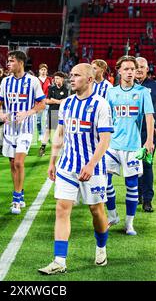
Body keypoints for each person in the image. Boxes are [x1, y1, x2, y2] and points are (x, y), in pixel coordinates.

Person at [38, 63, 113, 275]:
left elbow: (105, 140)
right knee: (62, 209)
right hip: (67, 166)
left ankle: (101, 247)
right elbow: (60, 133)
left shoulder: (101, 105)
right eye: (71, 75)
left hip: (93, 169)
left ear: (89, 80)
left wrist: (91, 164)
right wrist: (53, 160)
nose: (71, 78)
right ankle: (59, 261)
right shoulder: (67, 103)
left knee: (96, 210)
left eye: (77, 75)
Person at [105, 56, 155, 235]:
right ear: (119, 71)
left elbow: (149, 116)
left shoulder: (143, 92)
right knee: (105, 182)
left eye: (132, 69)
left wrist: (149, 140)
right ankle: (112, 216)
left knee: (132, 184)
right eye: (126, 69)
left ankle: (129, 223)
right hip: (112, 144)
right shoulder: (111, 92)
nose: (129, 72)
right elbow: (106, 117)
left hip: (133, 146)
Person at [0, 50, 46, 215]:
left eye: (11, 61)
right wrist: (1, 114)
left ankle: (16, 199)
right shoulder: (5, 82)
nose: (8, 64)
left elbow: (42, 104)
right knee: (12, 164)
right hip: (10, 128)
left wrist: (27, 113)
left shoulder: (33, 81)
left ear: (20, 62)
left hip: (26, 128)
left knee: (18, 162)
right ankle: (20, 192)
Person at [135, 57, 156, 213]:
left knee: (147, 165)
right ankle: (137, 194)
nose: (139, 69)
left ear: (147, 68)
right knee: (133, 165)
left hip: (148, 133)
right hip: (130, 133)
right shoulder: (127, 87)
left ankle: (147, 200)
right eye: (137, 67)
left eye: (142, 66)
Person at [38, 71, 68, 157]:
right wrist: (59, 101)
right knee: (48, 130)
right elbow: (47, 101)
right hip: (52, 111)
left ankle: (62, 149)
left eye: (58, 78)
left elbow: (65, 102)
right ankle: (42, 147)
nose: (55, 80)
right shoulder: (51, 89)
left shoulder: (66, 89)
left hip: (62, 113)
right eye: (55, 79)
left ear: (62, 79)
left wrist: (54, 100)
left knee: (61, 131)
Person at [37, 64, 52, 142]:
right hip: (39, 103)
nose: (43, 71)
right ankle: (40, 134)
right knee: (38, 120)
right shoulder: (36, 80)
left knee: (46, 120)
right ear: (39, 71)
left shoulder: (50, 79)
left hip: (47, 102)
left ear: (47, 71)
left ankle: (46, 135)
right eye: (42, 70)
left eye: (44, 70)